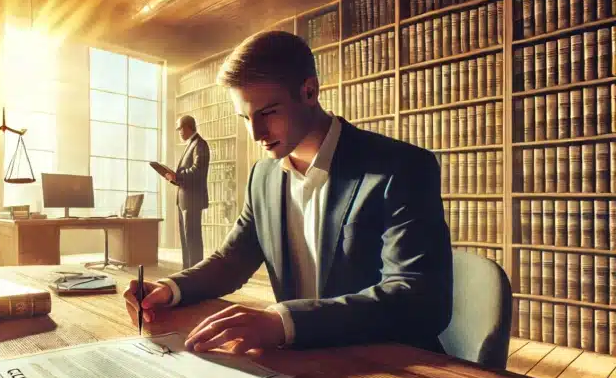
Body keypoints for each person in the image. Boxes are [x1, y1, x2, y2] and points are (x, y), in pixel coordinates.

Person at [126, 30, 453, 354]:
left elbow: (420, 299)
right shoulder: (263, 175)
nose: (256, 134)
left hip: (390, 365)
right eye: (245, 117)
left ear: (309, 91)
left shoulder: (402, 167)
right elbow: (232, 259)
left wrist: (284, 322)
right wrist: (170, 289)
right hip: (302, 364)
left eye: (267, 113)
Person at [165, 115, 209, 269]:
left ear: (188, 127)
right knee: (186, 238)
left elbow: (198, 171)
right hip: (184, 199)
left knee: (192, 238)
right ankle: (187, 270)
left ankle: (195, 272)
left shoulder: (200, 144)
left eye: (180, 129)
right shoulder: (191, 144)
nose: (179, 132)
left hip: (192, 199)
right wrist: (174, 178)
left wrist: (178, 176)